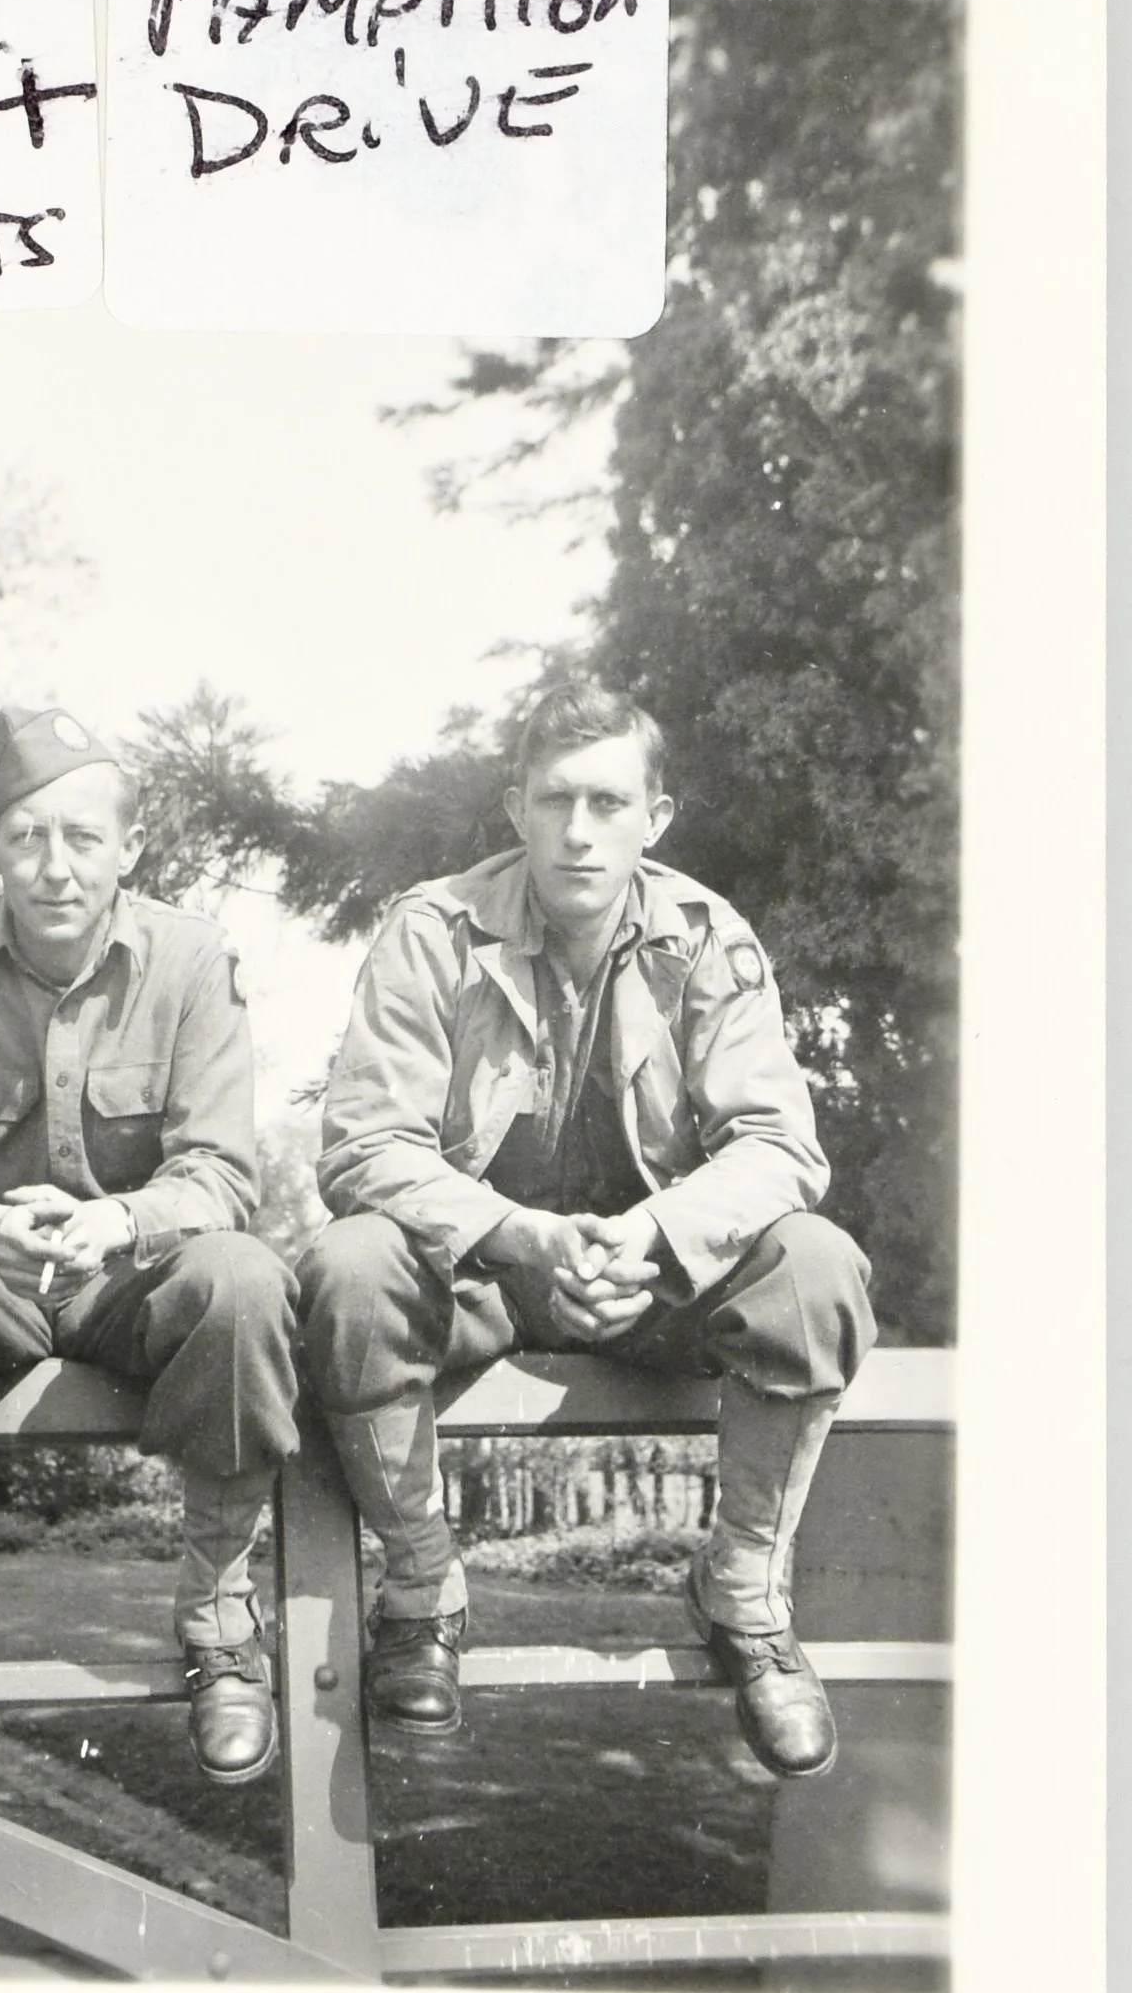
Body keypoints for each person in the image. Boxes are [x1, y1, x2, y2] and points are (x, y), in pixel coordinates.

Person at [297, 675, 876, 1780]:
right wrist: (519, 1236)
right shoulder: (430, 934)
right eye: (554, 799)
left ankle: (743, 1589)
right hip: (479, 1278)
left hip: (655, 1284)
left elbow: (779, 1146)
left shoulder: (706, 938)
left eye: (607, 802)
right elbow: (363, 1147)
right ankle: (421, 1587)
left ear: (653, 818)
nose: (576, 830)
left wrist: (653, 1237)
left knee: (815, 1265)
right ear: (513, 808)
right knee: (349, 1263)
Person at [0, 705, 298, 1786]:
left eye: (83, 837)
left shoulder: (190, 956)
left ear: (129, 847)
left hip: (131, 1282)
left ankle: (217, 1605)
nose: (53, 865)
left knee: (247, 1278)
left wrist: (119, 1219)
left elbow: (219, 1170)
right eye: (25, 836)